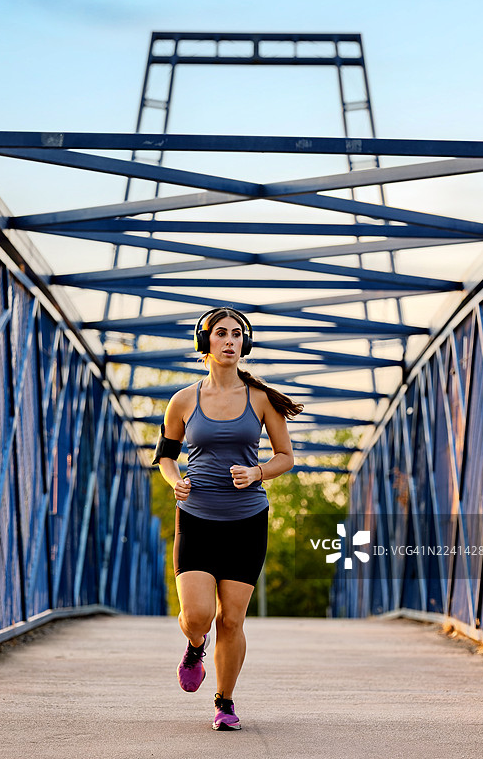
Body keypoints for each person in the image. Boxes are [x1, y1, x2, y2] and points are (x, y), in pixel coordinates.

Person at [153, 307, 303, 731]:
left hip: (246, 522)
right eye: (221, 334)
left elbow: (285, 457)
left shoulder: (260, 400)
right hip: (197, 518)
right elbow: (165, 457)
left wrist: (258, 472)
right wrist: (173, 480)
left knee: (232, 619)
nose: (230, 341)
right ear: (206, 342)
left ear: (245, 344)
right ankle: (194, 644)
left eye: (238, 335)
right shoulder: (183, 400)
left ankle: (224, 701)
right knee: (198, 616)